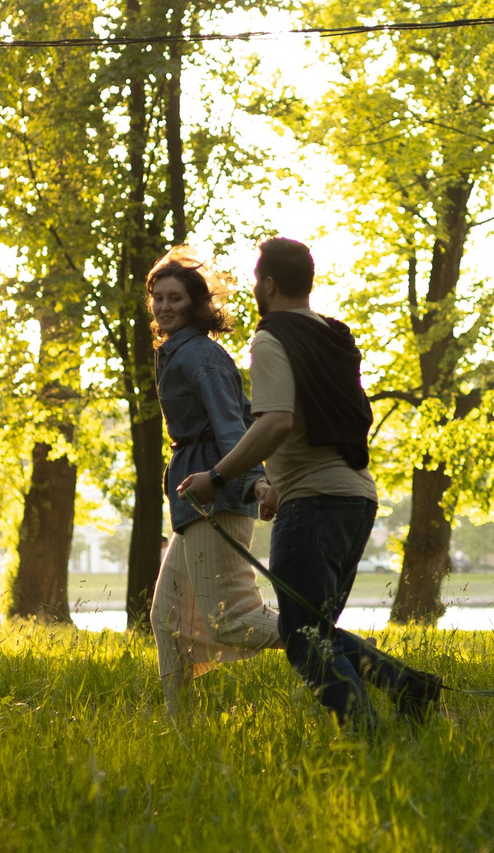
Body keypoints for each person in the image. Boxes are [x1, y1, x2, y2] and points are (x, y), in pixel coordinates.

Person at [179, 237, 442, 734]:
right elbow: (329, 416)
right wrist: (277, 480)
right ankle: (409, 688)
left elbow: (276, 421)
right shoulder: (334, 334)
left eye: (257, 280)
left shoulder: (270, 338)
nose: (255, 289)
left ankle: (365, 734)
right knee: (313, 630)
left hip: (316, 503)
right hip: (355, 497)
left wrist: (217, 477)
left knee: (300, 639)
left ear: (270, 284)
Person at [145, 254, 278, 719]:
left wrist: (254, 482)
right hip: (193, 496)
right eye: (158, 298)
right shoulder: (176, 351)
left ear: (196, 303)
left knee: (230, 621)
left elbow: (231, 424)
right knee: (167, 618)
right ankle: (178, 723)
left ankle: (343, 650)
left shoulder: (200, 354)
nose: (164, 307)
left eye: (175, 298)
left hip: (214, 494)